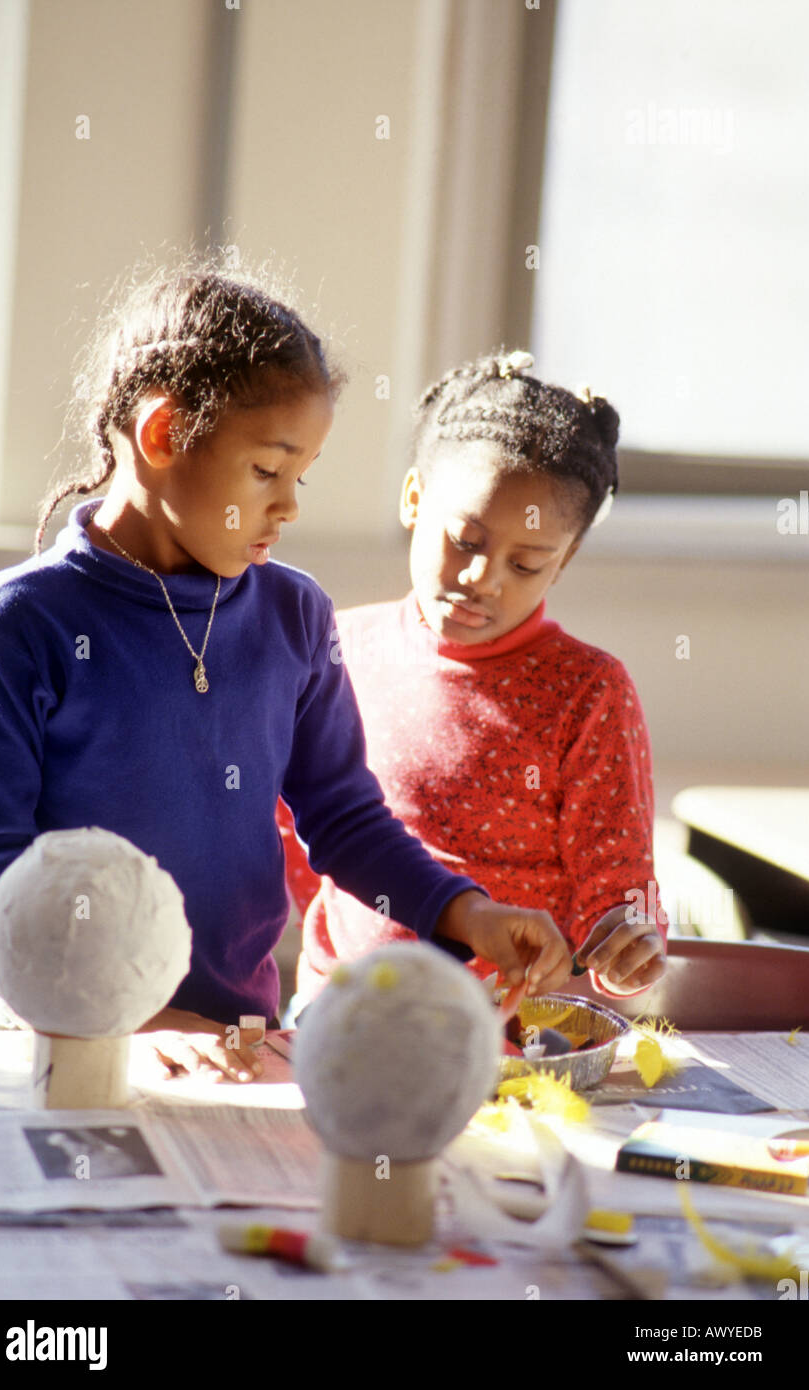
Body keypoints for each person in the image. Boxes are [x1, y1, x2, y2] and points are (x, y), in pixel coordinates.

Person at [0, 265, 573, 1083]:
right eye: (266, 471)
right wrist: (133, 1019)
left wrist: (468, 910)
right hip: (51, 1038)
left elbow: (346, 819)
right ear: (163, 434)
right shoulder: (23, 620)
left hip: (235, 1039)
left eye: (300, 476)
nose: (289, 507)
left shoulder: (295, 616)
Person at [278, 350, 669, 1015]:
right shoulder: (337, 646)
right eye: (465, 539)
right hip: (345, 1014)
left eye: (526, 563)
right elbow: (296, 832)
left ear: (564, 562)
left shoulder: (589, 691)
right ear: (413, 499)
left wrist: (626, 948)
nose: (484, 579)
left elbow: (617, 891)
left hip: (520, 1034)